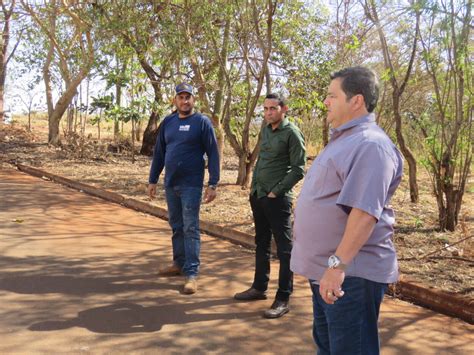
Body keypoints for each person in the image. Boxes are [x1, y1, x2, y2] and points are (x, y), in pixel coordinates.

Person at [291, 67, 403, 354]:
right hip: (329, 271)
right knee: (328, 348)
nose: (325, 102)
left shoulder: (370, 146)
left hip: (349, 275)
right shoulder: (345, 140)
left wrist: (336, 267)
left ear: (357, 101)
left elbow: (365, 213)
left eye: (332, 95)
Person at [234, 93, 306, 319]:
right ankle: (259, 287)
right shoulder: (265, 129)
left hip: (278, 199)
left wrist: (277, 191)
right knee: (261, 242)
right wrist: (255, 188)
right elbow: (263, 159)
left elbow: (298, 168)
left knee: (284, 249)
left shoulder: (292, 133)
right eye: (265, 109)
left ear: (283, 109)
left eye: (272, 109)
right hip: (259, 194)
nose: (268, 113)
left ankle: (283, 298)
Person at [148, 82, 220, 295]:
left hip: (191, 184)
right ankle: (178, 264)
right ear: (175, 100)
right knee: (176, 225)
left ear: (193, 100)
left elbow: (213, 153)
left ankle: (192, 274)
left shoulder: (202, 122)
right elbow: (159, 153)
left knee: (190, 228)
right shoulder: (168, 122)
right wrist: (152, 179)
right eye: (181, 97)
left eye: (188, 97)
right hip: (171, 183)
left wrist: (213, 183)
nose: (185, 100)